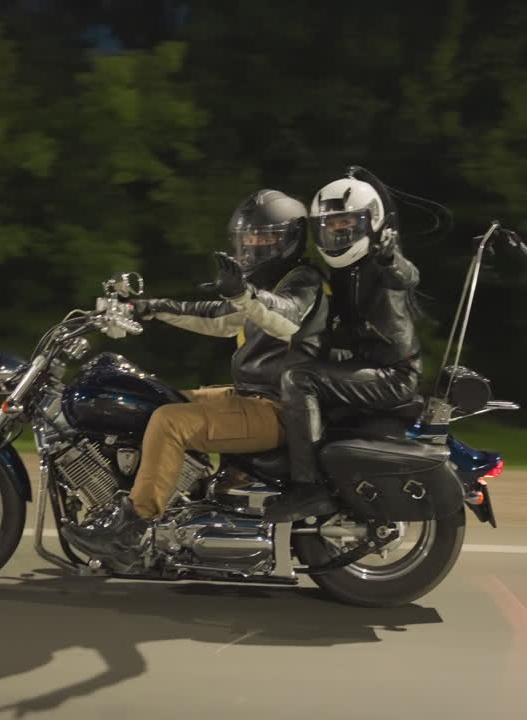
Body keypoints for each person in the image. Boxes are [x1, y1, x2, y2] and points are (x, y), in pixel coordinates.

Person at [63, 189, 327, 562]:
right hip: (250, 394)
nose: (252, 246)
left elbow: (286, 320)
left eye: (263, 238)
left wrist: (245, 294)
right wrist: (150, 308)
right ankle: (184, 501)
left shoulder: (303, 281)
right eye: (246, 239)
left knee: (170, 422)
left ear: (289, 239)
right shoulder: (265, 286)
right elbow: (219, 319)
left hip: (280, 407)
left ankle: (132, 530)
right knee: (159, 399)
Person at [262, 170, 424, 523]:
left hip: (392, 375)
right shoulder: (341, 271)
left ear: (372, 220)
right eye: (329, 225)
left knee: (299, 378)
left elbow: (407, 275)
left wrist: (388, 258)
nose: (336, 231)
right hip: (361, 362)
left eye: (346, 222)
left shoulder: (380, 263)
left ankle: (309, 489)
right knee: (295, 362)